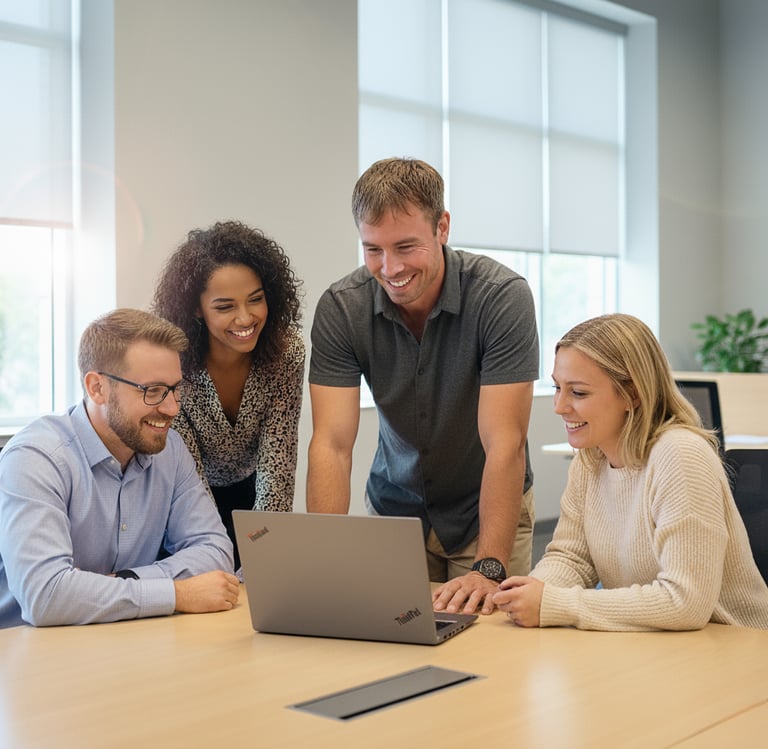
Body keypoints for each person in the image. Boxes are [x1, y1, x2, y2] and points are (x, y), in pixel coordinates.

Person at [307, 157, 539, 615]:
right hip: (395, 513)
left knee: (490, 647)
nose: (390, 267)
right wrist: (325, 558)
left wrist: (488, 567)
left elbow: (505, 444)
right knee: (385, 636)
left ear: (442, 227)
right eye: (373, 249)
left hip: (483, 514)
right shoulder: (342, 308)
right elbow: (332, 444)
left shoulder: (501, 297)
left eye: (405, 247)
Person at [493, 313, 768, 631]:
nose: (559, 406)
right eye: (557, 387)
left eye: (578, 392)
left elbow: (685, 602)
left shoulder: (680, 456)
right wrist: (528, 596)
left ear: (632, 394)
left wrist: (555, 604)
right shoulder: (590, 458)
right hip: (657, 643)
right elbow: (572, 558)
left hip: (731, 643)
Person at [0, 309, 239, 628]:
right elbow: (45, 595)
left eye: (175, 389)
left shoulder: (170, 450)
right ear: (97, 388)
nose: (171, 408)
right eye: (152, 391)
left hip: (120, 639)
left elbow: (216, 552)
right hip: (27, 646)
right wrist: (177, 593)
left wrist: (123, 582)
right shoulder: (36, 458)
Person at [151, 221, 304, 567]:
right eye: (225, 307)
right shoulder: (172, 361)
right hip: (181, 499)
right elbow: (189, 473)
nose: (245, 318)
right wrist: (215, 553)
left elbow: (278, 461)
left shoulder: (286, 352)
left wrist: (264, 549)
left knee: (262, 576)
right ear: (196, 308)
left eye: (256, 300)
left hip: (251, 496)